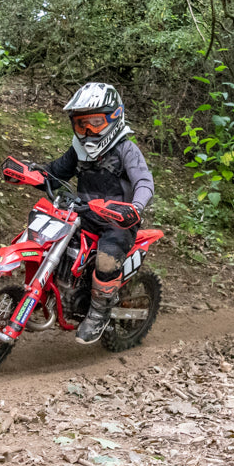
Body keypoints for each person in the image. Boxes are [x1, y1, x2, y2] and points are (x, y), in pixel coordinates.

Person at [37, 82, 155, 345]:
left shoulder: (126, 150)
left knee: (105, 261)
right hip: (82, 214)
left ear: (114, 117)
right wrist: (32, 174)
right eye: (81, 125)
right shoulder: (78, 151)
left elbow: (144, 182)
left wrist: (135, 207)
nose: (88, 131)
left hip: (118, 221)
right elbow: (55, 172)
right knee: (46, 240)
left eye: (95, 123)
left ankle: (99, 313)